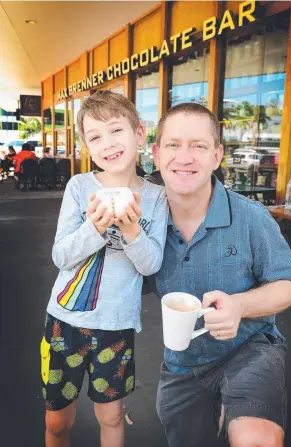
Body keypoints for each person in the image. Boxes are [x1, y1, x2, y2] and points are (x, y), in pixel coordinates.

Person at [151, 103, 291, 447]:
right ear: (157, 154)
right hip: (183, 358)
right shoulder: (145, 221)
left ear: (217, 155)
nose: (185, 157)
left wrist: (239, 305)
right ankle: (216, 408)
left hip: (248, 348)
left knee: (255, 441)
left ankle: (231, 406)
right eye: (174, 145)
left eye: (199, 146)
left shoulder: (250, 217)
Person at [41, 90, 168, 447]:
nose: (107, 143)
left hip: (116, 325)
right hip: (64, 321)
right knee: (56, 421)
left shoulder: (156, 197)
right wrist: (94, 229)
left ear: (139, 134)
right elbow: (61, 256)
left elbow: (151, 264)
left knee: (111, 416)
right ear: (86, 146)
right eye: (95, 137)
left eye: (116, 130)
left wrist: (131, 232)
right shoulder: (80, 187)